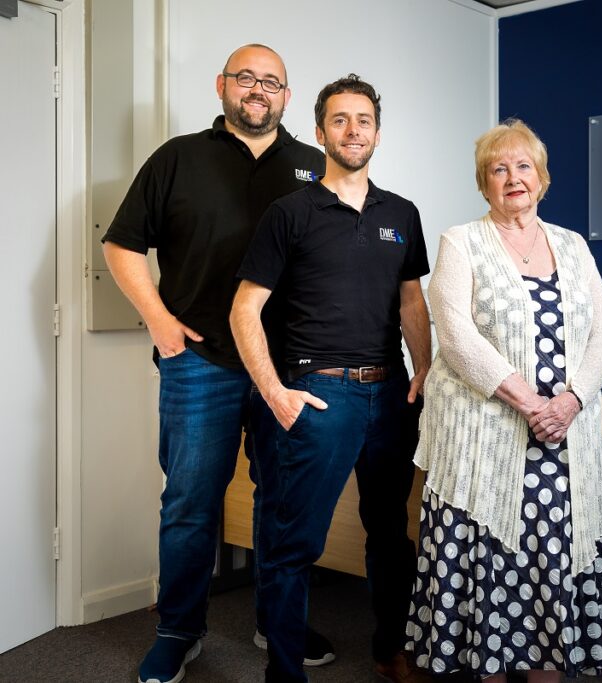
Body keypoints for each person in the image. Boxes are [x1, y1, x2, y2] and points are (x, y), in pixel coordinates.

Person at [101, 44, 330, 683]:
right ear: (223, 86)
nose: (258, 90)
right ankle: (178, 629)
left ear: (287, 96)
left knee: (279, 502)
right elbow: (121, 245)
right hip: (200, 363)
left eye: (272, 82)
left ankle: (273, 621)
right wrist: (160, 322)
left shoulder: (314, 166)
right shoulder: (178, 157)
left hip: (286, 368)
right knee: (191, 504)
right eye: (246, 79)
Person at [230, 74, 431, 683]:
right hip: (319, 394)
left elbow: (412, 303)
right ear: (320, 132)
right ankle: (285, 671)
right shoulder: (289, 213)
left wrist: (423, 370)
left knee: (390, 537)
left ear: (376, 132)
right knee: (297, 544)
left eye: (363, 120)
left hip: (389, 393)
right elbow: (244, 308)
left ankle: (388, 649)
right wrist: (275, 394)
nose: (353, 130)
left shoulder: (401, 213)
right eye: (340, 120)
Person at [406, 119, 602, 681]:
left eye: (523, 166)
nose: (512, 177)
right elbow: (453, 333)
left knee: (551, 564)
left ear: (543, 179)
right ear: (484, 184)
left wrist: (570, 402)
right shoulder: (462, 241)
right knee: (491, 567)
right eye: (498, 169)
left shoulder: (572, 245)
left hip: (563, 440)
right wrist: (531, 403)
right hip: (484, 438)